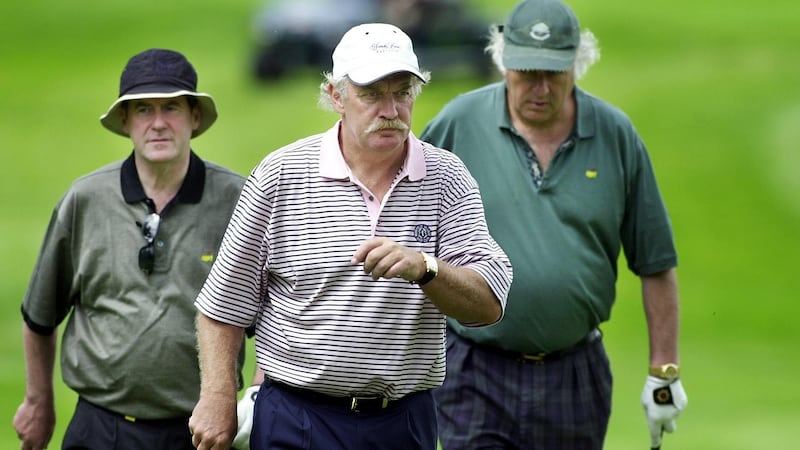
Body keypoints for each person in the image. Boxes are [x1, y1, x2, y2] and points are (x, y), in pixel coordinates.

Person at [187, 23, 513, 450]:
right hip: (296, 415)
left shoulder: (447, 178)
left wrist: (426, 268)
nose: (391, 109)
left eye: (402, 92)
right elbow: (224, 303)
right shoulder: (281, 175)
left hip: (402, 420)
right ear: (336, 96)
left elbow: (487, 304)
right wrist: (217, 397)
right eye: (372, 94)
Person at [420, 0, 688, 449]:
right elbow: (400, 223)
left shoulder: (615, 134)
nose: (540, 88)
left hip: (575, 374)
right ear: (504, 63)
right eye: (527, 72)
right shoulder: (458, 124)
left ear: (577, 65)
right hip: (473, 369)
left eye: (554, 73)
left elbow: (656, 263)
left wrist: (664, 373)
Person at [13, 48, 247, 450]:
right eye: (142, 110)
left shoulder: (237, 199)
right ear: (125, 121)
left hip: (201, 431)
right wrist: (38, 402)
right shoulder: (85, 199)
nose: (158, 123)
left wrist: (254, 400)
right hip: (99, 428)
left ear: (194, 117)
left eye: (171, 107)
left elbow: (278, 321)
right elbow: (40, 315)